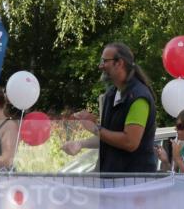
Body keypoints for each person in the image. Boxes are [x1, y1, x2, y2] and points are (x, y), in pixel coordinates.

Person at [61, 43, 157, 173]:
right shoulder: (111, 94)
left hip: (133, 179)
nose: (100, 66)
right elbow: (109, 137)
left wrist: (95, 128)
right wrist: (81, 144)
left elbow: (130, 142)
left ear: (119, 63)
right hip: (111, 177)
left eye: (105, 61)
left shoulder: (139, 97)